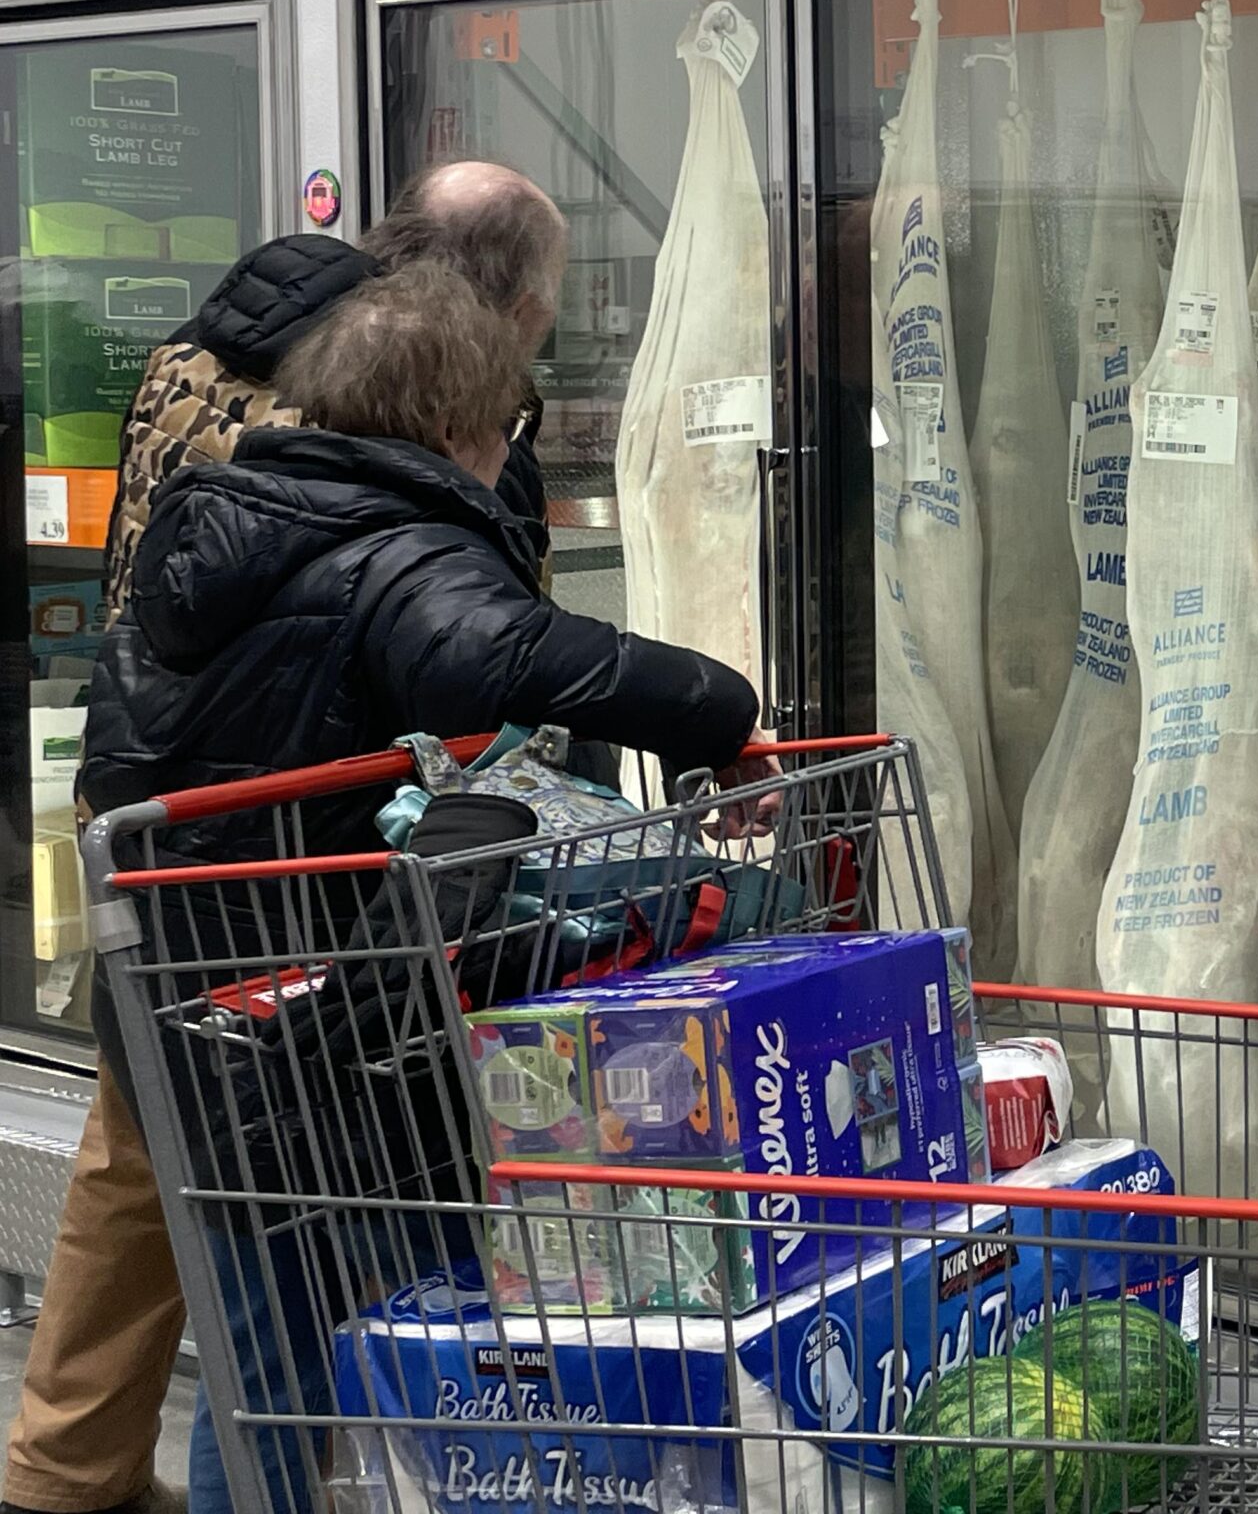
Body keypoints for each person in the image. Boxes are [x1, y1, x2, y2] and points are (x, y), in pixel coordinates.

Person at [80, 263, 762, 1514]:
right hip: (329, 1031)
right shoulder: (391, 545)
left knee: (268, 1365)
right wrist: (720, 711)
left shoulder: (223, 522)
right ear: (459, 420)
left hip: (202, 1011)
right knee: (400, 1342)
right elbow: (492, 647)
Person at [1, 162, 569, 1514]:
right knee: (269, 1197)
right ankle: (189, 1474)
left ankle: (63, 1466)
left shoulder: (219, 338)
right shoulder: (416, 390)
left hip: (162, 789)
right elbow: (460, 635)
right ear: (511, 310)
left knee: (146, 1141)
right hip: (294, 834)